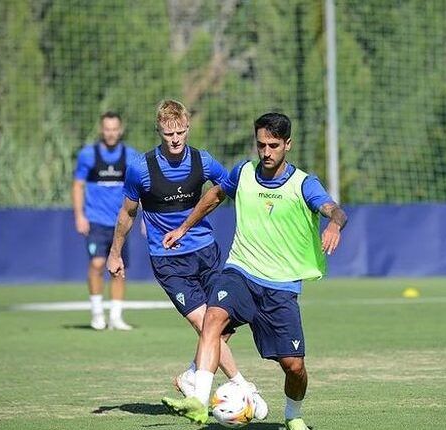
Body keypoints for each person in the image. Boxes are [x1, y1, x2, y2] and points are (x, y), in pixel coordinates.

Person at [160, 112, 347, 430]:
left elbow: (333, 208)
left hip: (281, 287)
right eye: (261, 145)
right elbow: (215, 195)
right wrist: (183, 228)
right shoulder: (243, 172)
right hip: (240, 272)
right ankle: (199, 400)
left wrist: (335, 224)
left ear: (288, 144)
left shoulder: (303, 184)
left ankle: (293, 414)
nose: (266, 152)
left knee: (295, 367)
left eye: (274, 145)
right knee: (213, 319)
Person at [106, 100, 268, 418]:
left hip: (206, 253)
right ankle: (243, 385)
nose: (176, 139)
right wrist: (115, 253)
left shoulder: (203, 162)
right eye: (169, 134)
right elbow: (127, 213)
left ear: (188, 129)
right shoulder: (142, 168)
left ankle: (192, 375)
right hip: (168, 261)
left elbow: (232, 188)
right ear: (159, 131)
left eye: (181, 132)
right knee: (205, 322)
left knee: (223, 326)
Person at [72, 111, 138, 331]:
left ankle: (116, 317)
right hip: (96, 221)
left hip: (121, 222)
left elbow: (140, 189)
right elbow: (78, 185)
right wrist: (80, 215)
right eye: (107, 129)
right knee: (98, 263)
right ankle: (97, 314)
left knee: (118, 267)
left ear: (120, 130)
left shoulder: (131, 156)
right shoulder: (88, 155)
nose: (111, 133)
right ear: (102, 130)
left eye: (114, 129)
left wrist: (144, 218)